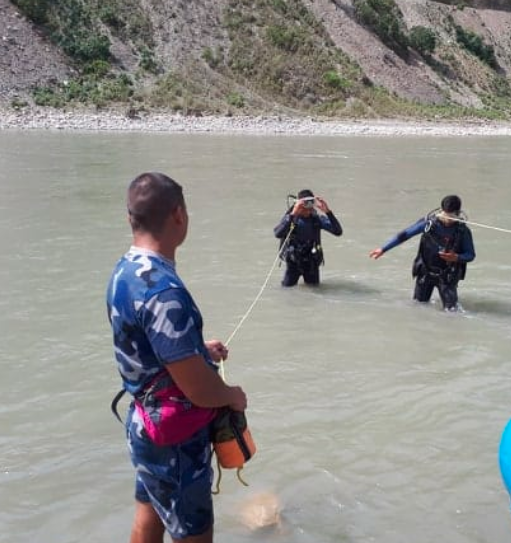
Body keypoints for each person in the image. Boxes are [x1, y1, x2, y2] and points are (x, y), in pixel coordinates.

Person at [106, 172, 248, 543]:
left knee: (148, 518)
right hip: (175, 439)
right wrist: (232, 394)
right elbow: (200, 391)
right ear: (179, 216)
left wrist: (198, 351)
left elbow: (146, 348)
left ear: (130, 219)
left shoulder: (124, 272)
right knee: (194, 535)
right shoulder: (164, 292)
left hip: (144, 425)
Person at [369, 195, 475, 311]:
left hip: (447, 276)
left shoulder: (463, 231)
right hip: (425, 272)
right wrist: (383, 249)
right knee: (418, 307)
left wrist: (456, 257)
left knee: (452, 312)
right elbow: (405, 235)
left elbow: (470, 255)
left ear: (458, 213)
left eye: (452, 217)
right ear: (441, 211)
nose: (448, 220)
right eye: (445, 215)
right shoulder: (428, 224)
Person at [273, 189, 343, 287]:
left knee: (314, 293)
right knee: (287, 291)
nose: (308, 210)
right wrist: (293, 214)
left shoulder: (316, 220)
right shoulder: (291, 218)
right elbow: (277, 233)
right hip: (293, 263)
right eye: (305, 206)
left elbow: (338, 231)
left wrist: (328, 212)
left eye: (311, 207)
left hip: (311, 264)